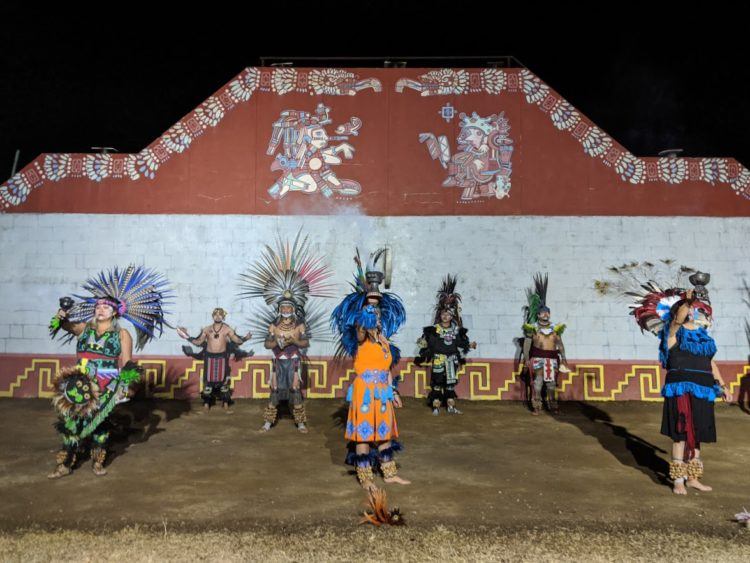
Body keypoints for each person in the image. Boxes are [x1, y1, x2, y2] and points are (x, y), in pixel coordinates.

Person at [47, 265, 171, 478]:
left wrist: (126, 386)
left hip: (106, 385)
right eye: (98, 306)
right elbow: (63, 325)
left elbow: (127, 364)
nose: (100, 309)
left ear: (114, 312)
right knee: (70, 422)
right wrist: (61, 316)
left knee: (99, 423)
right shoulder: (84, 328)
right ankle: (65, 464)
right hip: (79, 382)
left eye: (105, 307)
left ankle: (97, 461)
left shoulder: (122, 335)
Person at [415, 275, 476, 415]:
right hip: (438, 359)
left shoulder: (456, 330)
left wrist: (470, 344)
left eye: (448, 315)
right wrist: (422, 342)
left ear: (452, 316)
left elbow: (461, 343)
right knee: (436, 385)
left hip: (452, 360)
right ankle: (436, 407)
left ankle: (450, 406)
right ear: (440, 314)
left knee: (450, 385)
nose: (445, 316)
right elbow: (426, 342)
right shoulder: (435, 328)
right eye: (443, 314)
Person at [178, 308, 252, 414]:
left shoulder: (227, 329)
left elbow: (236, 340)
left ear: (223, 317)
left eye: (220, 315)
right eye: (216, 314)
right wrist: (187, 337)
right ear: (213, 316)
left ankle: (225, 404)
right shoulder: (207, 329)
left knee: (223, 381)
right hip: (209, 357)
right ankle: (206, 404)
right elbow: (199, 342)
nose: (218, 316)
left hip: (222, 357)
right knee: (208, 380)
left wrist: (245, 338)